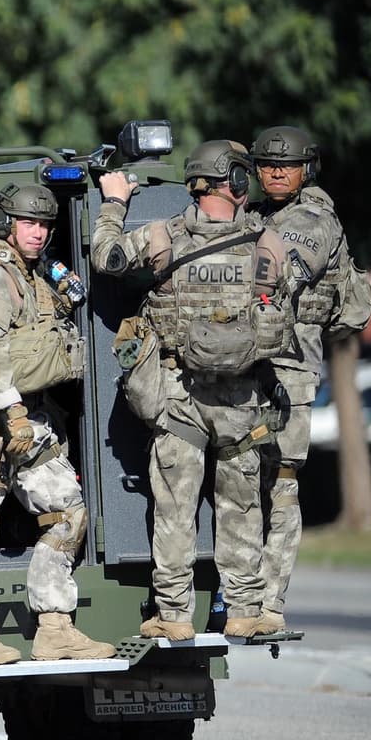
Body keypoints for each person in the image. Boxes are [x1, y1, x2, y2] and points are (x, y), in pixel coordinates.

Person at [91, 140, 293, 640]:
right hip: (244, 401)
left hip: (179, 398)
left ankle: (174, 615)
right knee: (241, 508)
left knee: (174, 511)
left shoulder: (162, 238)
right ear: (239, 183)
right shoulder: (269, 246)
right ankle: (245, 609)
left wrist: (115, 203)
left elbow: (104, 258)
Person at [0, 183, 116, 660]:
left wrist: (61, 293)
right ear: (5, 223)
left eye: (45, 225)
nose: (39, 233)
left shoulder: (28, 274)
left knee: (69, 512)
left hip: (28, 421)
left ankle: (54, 625)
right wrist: (14, 414)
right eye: (29, 223)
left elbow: (38, 331)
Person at [248, 125, 371, 635]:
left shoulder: (312, 217)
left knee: (279, 483)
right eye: (267, 164)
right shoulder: (257, 215)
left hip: (290, 370)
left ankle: (269, 602)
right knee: (238, 482)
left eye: (290, 164)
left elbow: (285, 270)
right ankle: (238, 595)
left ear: (308, 168)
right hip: (248, 364)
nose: (278, 171)